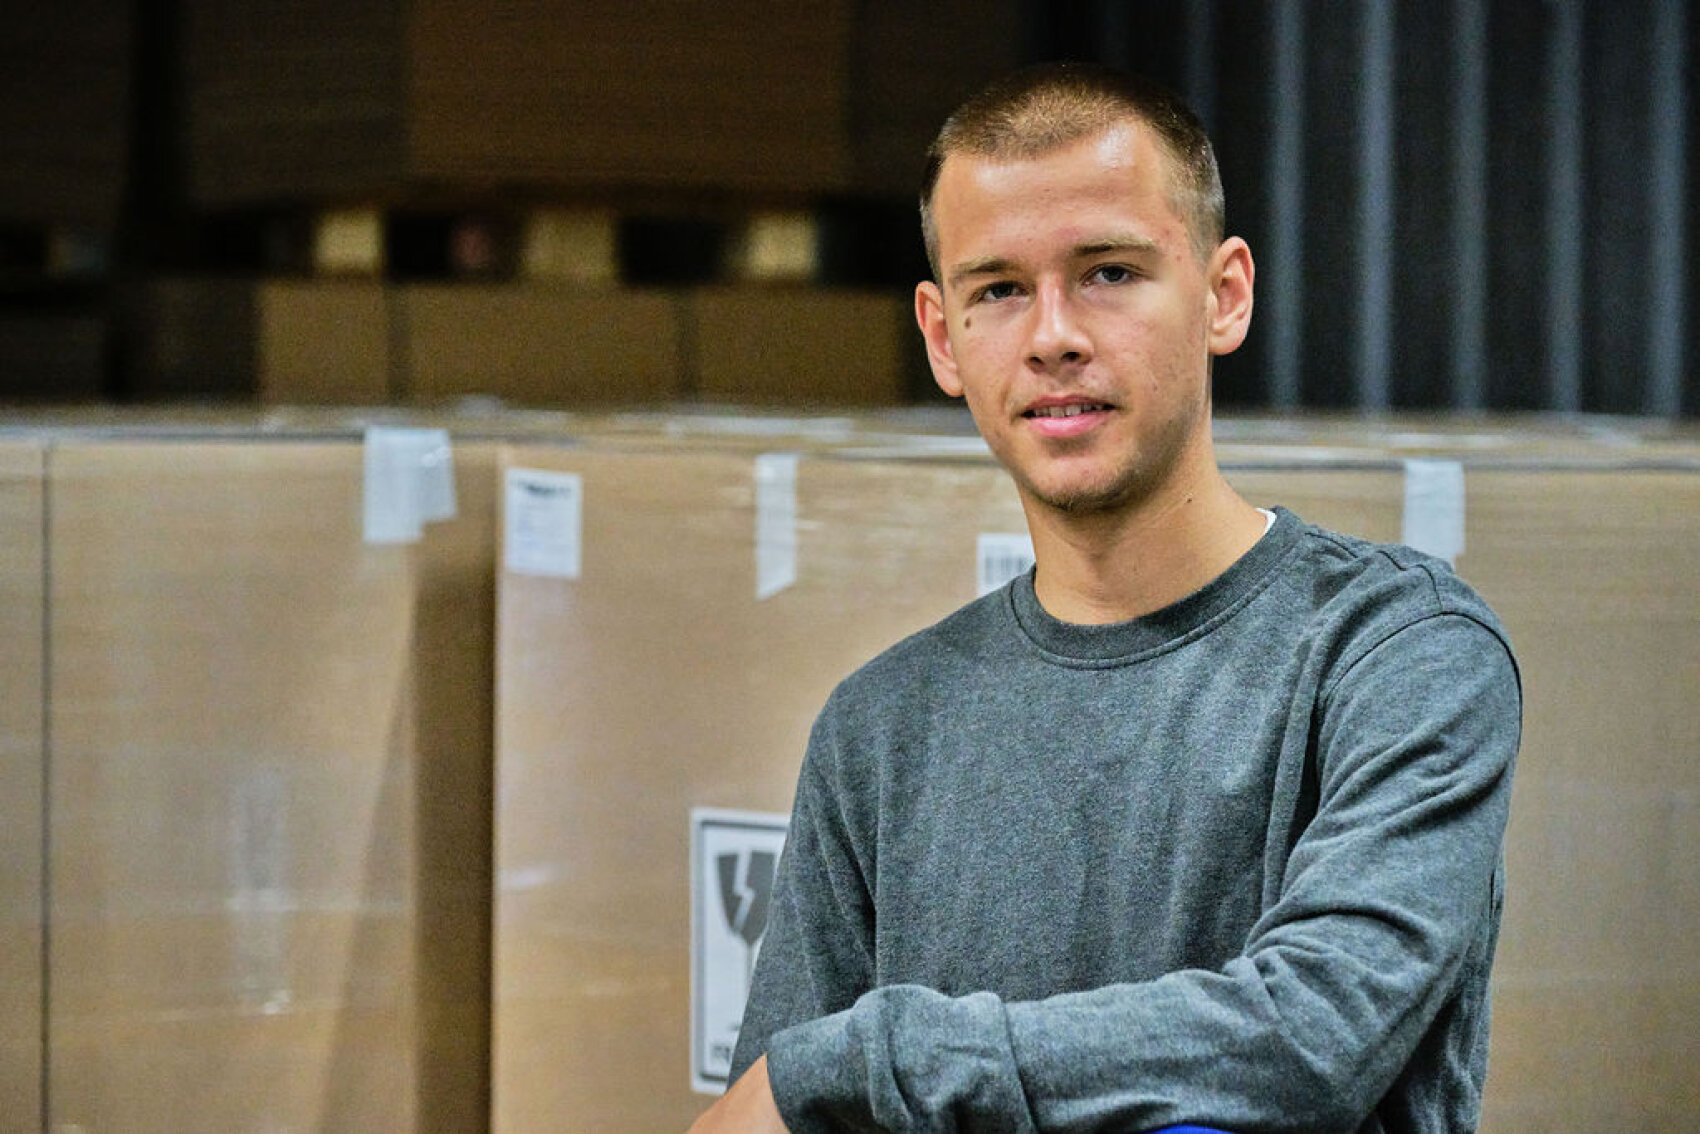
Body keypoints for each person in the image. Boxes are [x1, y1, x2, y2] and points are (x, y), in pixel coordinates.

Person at [689, 61, 1521, 1134]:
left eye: (1109, 273)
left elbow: (1313, 1038)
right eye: (998, 290)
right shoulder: (880, 729)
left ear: (1224, 295)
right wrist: (827, 1081)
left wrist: (870, 1057)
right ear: (942, 339)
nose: (1052, 336)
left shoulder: (1396, 656)